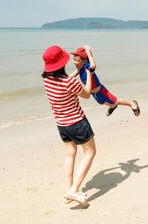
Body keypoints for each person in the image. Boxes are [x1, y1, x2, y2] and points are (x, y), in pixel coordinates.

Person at [42, 45, 95, 207]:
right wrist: (88, 74)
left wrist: (76, 73)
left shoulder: (46, 80)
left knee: (70, 152)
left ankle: (68, 190)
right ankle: (74, 189)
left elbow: (65, 82)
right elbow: (86, 94)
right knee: (90, 152)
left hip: (61, 124)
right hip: (77, 122)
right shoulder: (69, 82)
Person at [70, 45, 140, 117]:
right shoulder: (80, 68)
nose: (74, 62)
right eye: (73, 59)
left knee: (116, 101)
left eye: (76, 60)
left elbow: (93, 64)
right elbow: (73, 74)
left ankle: (132, 104)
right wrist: (63, 78)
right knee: (101, 102)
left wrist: (88, 52)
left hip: (101, 91)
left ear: (84, 61)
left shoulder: (87, 67)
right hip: (94, 93)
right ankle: (112, 107)